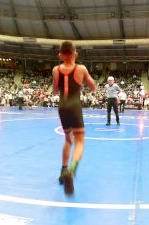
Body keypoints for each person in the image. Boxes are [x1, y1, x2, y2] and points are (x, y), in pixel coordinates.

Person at [52, 40, 96, 195]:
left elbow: (55, 91)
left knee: (68, 140)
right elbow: (93, 86)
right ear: (75, 54)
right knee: (80, 141)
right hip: (75, 107)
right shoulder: (81, 68)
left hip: (62, 107)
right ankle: (71, 170)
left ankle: (62, 172)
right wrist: (82, 83)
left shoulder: (56, 69)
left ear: (60, 55)